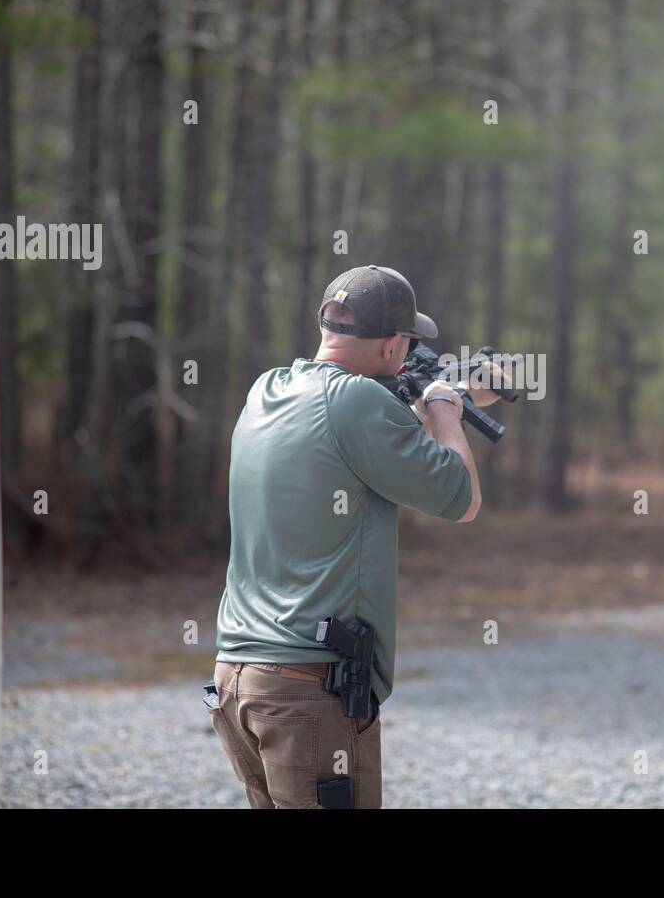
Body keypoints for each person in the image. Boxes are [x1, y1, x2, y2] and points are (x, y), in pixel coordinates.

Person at [207, 264, 498, 808]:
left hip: (238, 677)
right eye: (409, 341)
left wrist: (449, 396)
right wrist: (443, 409)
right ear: (391, 346)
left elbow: (359, 435)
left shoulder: (267, 390)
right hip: (309, 688)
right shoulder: (359, 405)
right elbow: (462, 498)